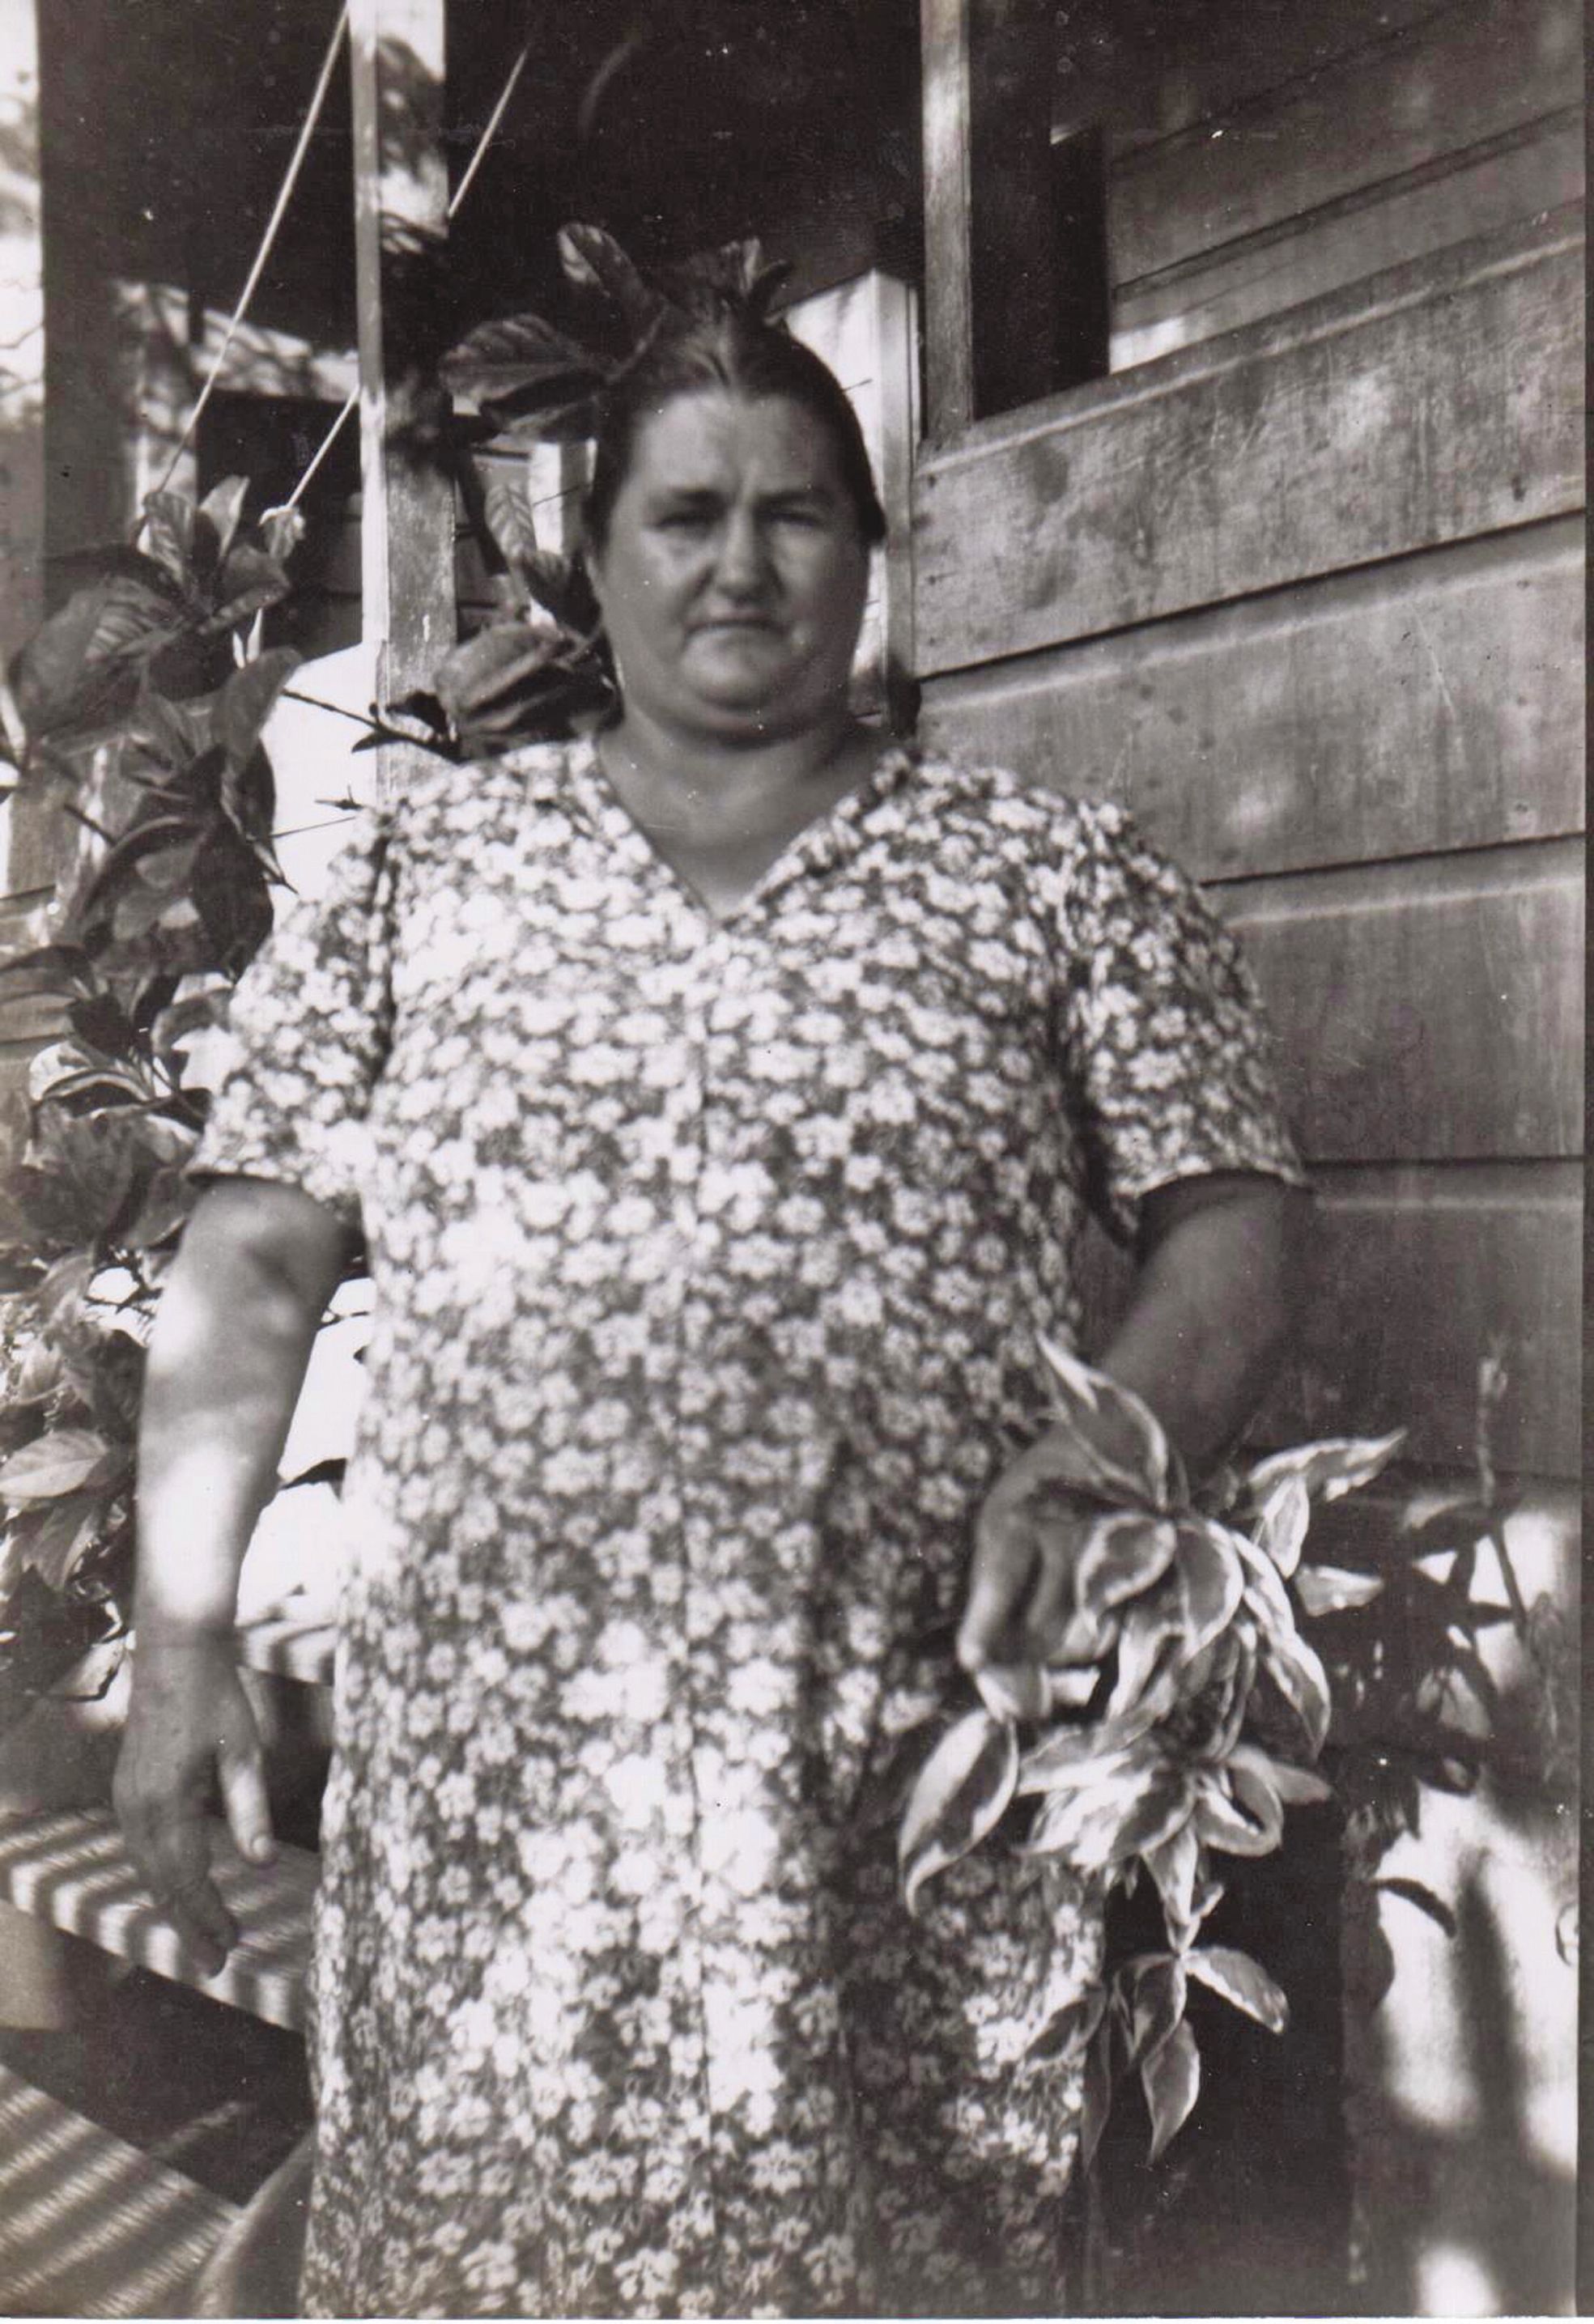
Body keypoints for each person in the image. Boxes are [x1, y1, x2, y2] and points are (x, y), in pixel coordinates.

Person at [115, 308, 1309, 2318]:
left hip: (895, 1764)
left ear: (866, 550)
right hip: (505, 1791)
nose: (740, 562)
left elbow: (1237, 1231)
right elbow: (249, 1262)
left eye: (796, 513)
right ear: (597, 553)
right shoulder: (430, 869)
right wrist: (178, 1640)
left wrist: (1097, 1449)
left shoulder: (1047, 876)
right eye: (686, 514)